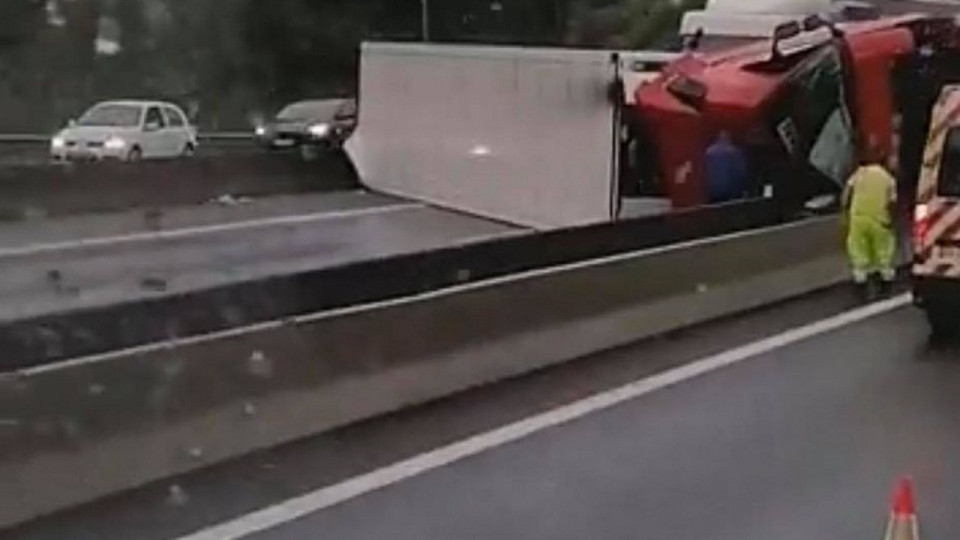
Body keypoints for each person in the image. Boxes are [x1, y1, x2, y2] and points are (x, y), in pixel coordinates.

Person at [842, 149, 898, 299]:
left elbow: (846, 194)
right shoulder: (888, 178)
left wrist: (845, 213)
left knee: (858, 253)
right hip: (880, 220)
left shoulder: (859, 174)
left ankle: (861, 288)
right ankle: (885, 287)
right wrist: (892, 221)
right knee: (883, 253)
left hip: (858, 219)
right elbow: (892, 203)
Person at [705, 131, 749, 204]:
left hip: (714, 192)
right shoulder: (735, 152)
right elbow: (741, 172)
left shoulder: (709, 152)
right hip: (732, 192)